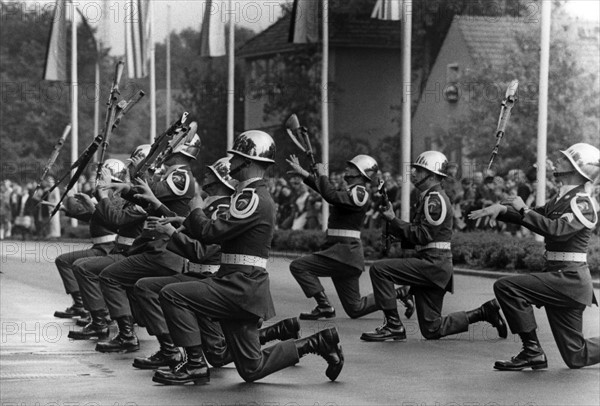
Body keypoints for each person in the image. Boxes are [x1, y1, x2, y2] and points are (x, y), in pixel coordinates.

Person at [154, 130, 344, 385]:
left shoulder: (252, 197)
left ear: (249, 162)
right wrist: (186, 220)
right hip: (240, 285)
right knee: (251, 369)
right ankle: (318, 342)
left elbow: (211, 232)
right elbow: (223, 229)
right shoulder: (248, 195)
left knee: (172, 294)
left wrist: (196, 207)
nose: (230, 163)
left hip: (237, 286)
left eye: (235, 158)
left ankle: (196, 365)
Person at [469, 143, 600, 370]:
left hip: (569, 279)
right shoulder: (560, 200)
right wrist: (501, 211)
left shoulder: (582, 202)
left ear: (578, 169)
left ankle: (532, 352)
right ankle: (533, 353)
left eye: (565, 159)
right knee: (576, 355)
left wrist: (524, 210)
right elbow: (533, 217)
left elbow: (556, 230)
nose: (558, 161)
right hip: (560, 279)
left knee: (507, 287)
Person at [361, 151, 507, 342]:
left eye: (419, 170)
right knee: (432, 329)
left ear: (431, 175)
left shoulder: (434, 199)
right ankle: (483, 312)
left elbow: (423, 235)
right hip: (433, 263)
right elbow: (424, 234)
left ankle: (393, 325)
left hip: (432, 263)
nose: (413, 173)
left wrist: (394, 221)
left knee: (379, 270)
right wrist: (394, 228)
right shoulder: (428, 196)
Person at [94, 134, 200, 353]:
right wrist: (121, 186)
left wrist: (125, 179)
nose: (165, 150)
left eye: (169, 147)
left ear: (180, 150)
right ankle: (163, 347)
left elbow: (150, 193)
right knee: (140, 288)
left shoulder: (180, 176)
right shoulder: (175, 175)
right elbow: (148, 198)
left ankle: (134, 337)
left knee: (111, 276)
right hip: (158, 249)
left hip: (164, 250)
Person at [287, 154, 402, 320]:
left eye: (352, 167)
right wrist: (304, 173)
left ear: (361, 173)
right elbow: (327, 191)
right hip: (344, 255)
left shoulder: (360, 192)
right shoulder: (351, 192)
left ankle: (324, 305)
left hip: (343, 253)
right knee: (355, 308)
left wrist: (323, 175)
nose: (347, 169)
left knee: (299, 266)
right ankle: (398, 293)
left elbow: (330, 195)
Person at [68, 154, 150, 340]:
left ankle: (104, 323)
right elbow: (116, 225)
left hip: (131, 253)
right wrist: (93, 207)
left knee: (83, 267)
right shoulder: (132, 197)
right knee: (83, 266)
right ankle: (102, 321)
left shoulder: (142, 198)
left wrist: (103, 197)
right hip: (121, 250)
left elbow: (117, 221)